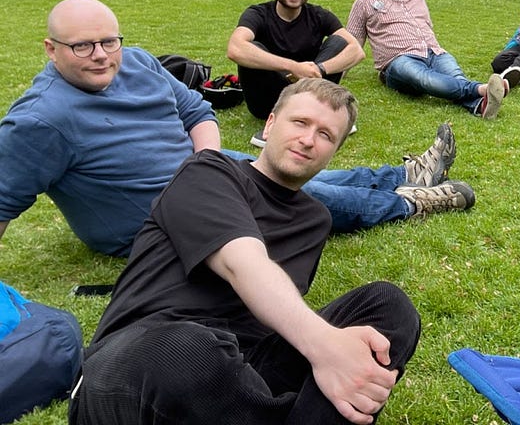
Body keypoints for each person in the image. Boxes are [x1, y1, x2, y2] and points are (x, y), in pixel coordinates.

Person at [0, 0, 474, 257]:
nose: (102, 55)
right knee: (300, 199)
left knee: (291, 172)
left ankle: (402, 175)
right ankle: (408, 203)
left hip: (200, 171)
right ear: (50, 48)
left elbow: (197, 112)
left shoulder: (138, 62)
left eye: (109, 41)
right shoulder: (40, 120)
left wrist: (206, 160)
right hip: (156, 221)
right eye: (83, 46)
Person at [70, 78, 423, 425]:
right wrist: (325, 346)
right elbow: (243, 264)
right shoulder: (208, 170)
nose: (308, 139)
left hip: (241, 372)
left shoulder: (315, 220)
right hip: (139, 359)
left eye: (326, 135)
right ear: (270, 125)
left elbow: (267, 321)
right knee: (189, 348)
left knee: (387, 305)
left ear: (334, 152)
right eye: (300, 122)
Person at [348, 0, 508, 119]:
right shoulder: (366, 0)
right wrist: (338, 71)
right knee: (424, 79)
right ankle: (482, 89)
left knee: (455, 78)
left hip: (434, 52)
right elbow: (353, 39)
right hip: (399, 59)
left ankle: (479, 106)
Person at [228, 0, 365, 144]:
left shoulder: (319, 15)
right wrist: (293, 67)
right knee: (253, 47)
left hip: (311, 96)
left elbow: (356, 51)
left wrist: (319, 70)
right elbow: (235, 48)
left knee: (339, 41)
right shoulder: (258, 14)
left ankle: (305, 113)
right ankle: (288, 119)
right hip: (265, 102)